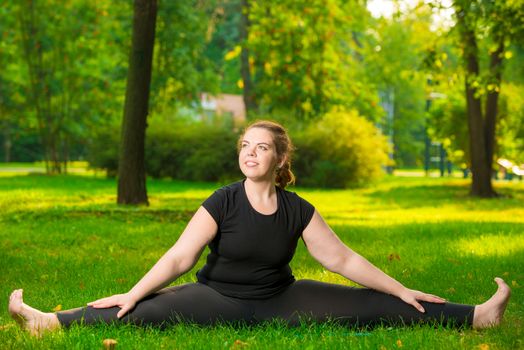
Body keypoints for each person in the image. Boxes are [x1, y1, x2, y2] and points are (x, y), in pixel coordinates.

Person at [9, 120, 510, 337]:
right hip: (215, 297)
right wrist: (132, 292)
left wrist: (400, 288)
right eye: (245, 145)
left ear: (280, 157)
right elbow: (181, 258)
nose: (250, 153)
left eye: (261, 147)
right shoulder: (223, 200)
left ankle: (476, 318)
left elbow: (341, 260)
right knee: (134, 313)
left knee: (379, 305)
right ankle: (46, 322)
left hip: (280, 299)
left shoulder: (298, 209)